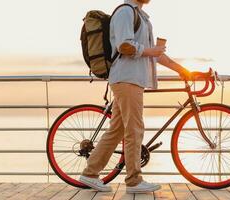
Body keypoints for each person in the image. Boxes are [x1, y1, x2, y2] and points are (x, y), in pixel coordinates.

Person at [79, 0, 193, 193]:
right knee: (135, 128)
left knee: (117, 130)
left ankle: (90, 173)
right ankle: (133, 180)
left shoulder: (141, 16)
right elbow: (124, 46)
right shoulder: (125, 12)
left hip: (131, 79)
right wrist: (151, 50)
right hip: (127, 79)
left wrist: (184, 70)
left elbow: (154, 55)